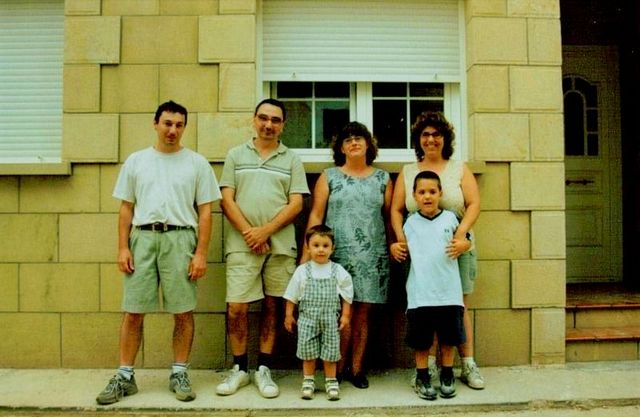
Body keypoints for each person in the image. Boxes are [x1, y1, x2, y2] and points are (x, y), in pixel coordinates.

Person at [96, 100, 222, 405]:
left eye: (179, 125)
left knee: (183, 310)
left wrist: (201, 253)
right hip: (143, 238)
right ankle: (125, 376)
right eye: (167, 123)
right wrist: (123, 247)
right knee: (133, 310)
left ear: (184, 127)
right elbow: (126, 208)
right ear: (155, 124)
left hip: (181, 239)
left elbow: (206, 212)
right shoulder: (137, 161)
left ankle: (179, 372)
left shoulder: (197, 163)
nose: (172, 130)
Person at [216, 98, 309, 398]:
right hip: (241, 245)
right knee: (237, 308)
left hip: (279, 245)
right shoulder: (235, 155)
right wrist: (250, 234)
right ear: (254, 120)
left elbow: (297, 203)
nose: (269, 125)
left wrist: (265, 231)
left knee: (273, 305)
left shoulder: (291, 159)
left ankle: (264, 369)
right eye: (264, 118)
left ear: (283, 125)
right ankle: (240, 368)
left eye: (275, 120)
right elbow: (226, 200)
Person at [389, 111, 484, 390]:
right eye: (425, 134)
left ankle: (467, 365)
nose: (431, 139)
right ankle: (427, 367)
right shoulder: (409, 171)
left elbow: (474, 204)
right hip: (419, 250)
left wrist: (461, 235)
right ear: (418, 139)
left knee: (457, 306)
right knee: (425, 307)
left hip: (457, 248)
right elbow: (396, 209)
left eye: (436, 134)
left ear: (445, 138)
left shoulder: (458, 168)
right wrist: (400, 240)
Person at [304, 121, 393, 389]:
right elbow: (316, 215)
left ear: (368, 144)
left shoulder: (382, 179)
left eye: (359, 138)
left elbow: (389, 218)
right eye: (348, 140)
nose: (354, 143)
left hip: (372, 257)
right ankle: (336, 369)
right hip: (336, 255)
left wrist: (393, 246)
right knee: (339, 313)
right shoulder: (329, 177)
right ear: (341, 148)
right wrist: (307, 254)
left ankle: (356, 369)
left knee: (362, 314)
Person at [402, 170, 470, 400]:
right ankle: (422, 377)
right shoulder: (410, 223)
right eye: (422, 192)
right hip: (420, 293)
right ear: (414, 196)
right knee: (422, 341)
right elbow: (402, 248)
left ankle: (447, 374)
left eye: (432, 191)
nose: (427, 196)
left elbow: (465, 241)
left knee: (448, 338)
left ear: (441, 193)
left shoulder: (451, 219)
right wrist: (395, 248)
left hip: (449, 291)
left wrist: (464, 245)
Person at [284, 225, 353, 401]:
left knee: (330, 352)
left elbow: (347, 293)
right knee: (308, 352)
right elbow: (292, 294)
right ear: (307, 247)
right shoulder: (302, 271)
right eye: (316, 245)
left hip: (330, 320)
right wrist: (289, 315)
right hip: (307, 320)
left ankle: (331, 381)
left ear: (332, 248)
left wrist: (345, 315)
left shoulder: (337, 270)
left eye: (325, 245)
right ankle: (308, 381)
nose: (320, 250)